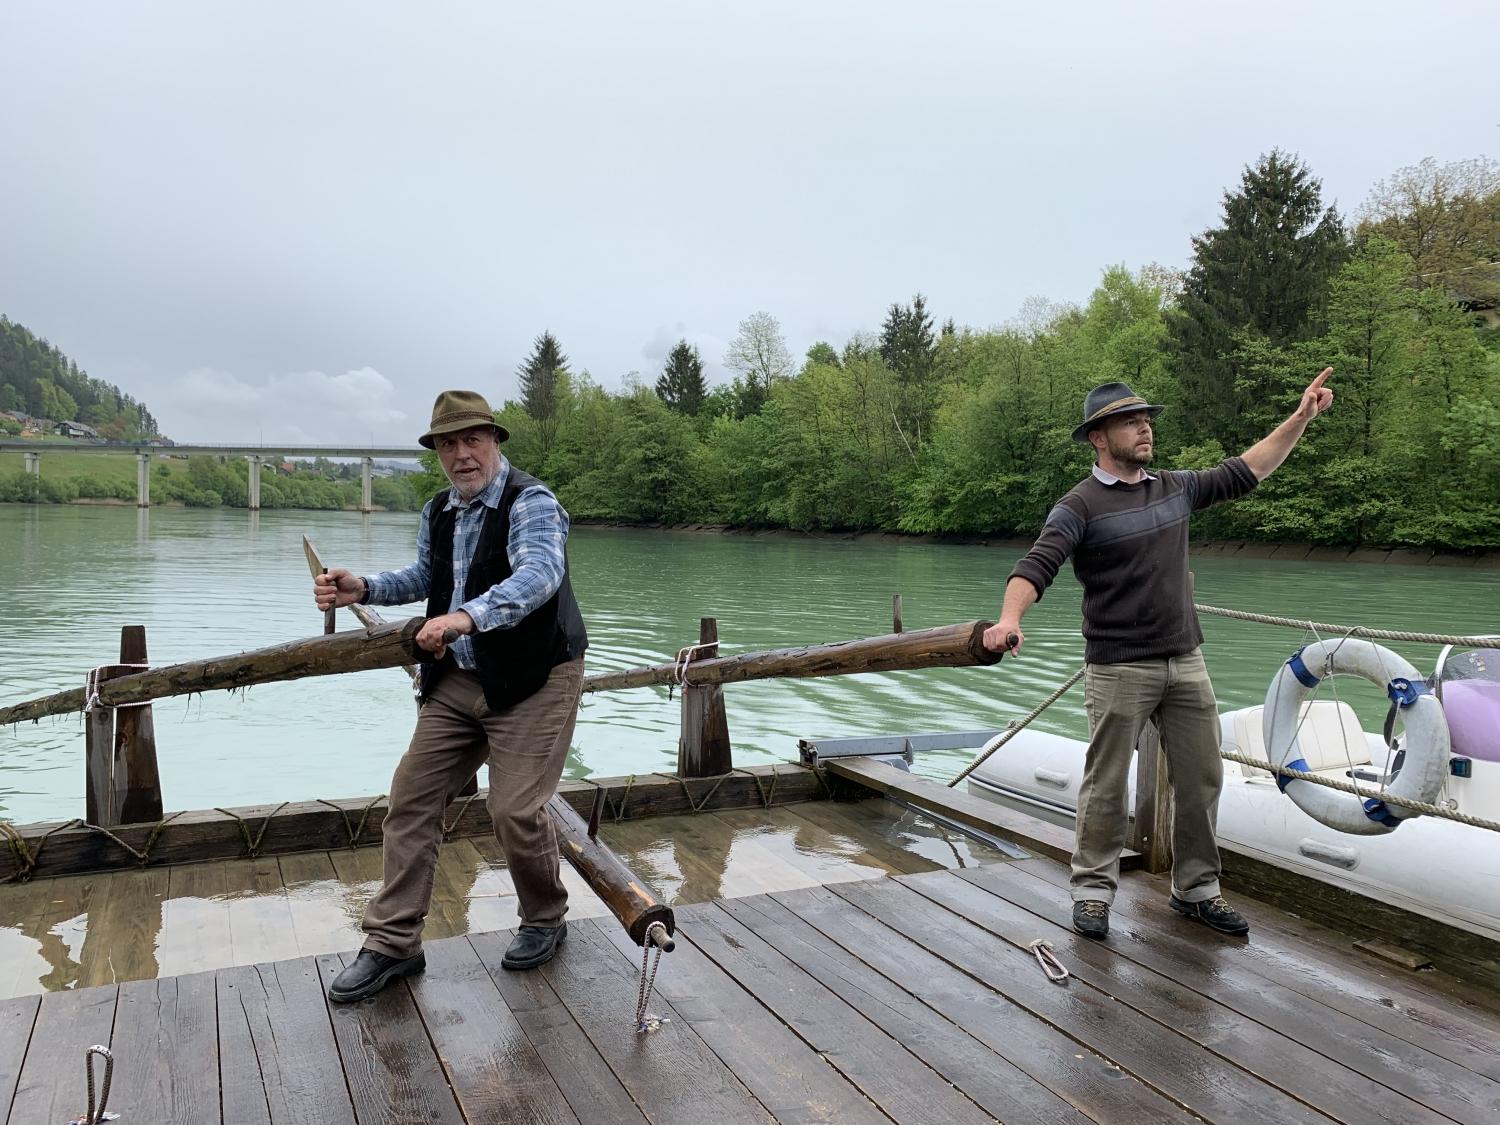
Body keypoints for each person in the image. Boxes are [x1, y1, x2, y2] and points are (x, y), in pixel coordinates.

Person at [983, 369, 1334, 939]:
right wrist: (1009, 620)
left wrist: (1300, 419)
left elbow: (1247, 470)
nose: (1144, 427)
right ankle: (1093, 891)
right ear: (1099, 437)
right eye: (1130, 420)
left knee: (1202, 778)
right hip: (1118, 665)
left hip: (1185, 660)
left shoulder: (1175, 488)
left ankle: (1196, 891)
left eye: (1146, 418)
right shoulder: (1079, 506)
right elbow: (1036, 565)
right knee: (1105, 782)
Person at [314, 389, 588, 1002]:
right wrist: (365, 587)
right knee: (411, 800)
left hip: (536, 679)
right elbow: (425, 578)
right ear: (436, 452)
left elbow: (539, 575)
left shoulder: (532, 501)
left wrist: (463, 618)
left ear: (495, 441)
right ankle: (392, 944)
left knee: (515, 809)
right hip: (459, 680)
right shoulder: (439, 509)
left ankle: (544, 917)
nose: (461, 454)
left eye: (472, 439)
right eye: (447, 443)